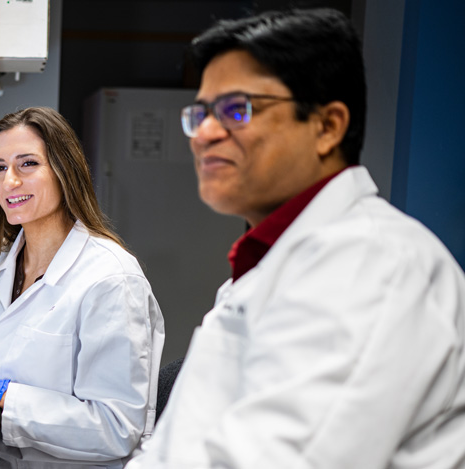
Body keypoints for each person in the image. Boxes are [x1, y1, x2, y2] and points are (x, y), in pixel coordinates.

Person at [128, 8, 465, 469]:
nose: (204, 133)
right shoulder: (274, 262)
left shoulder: (374, 263)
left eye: (236, 109)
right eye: (201, 112)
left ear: (327, 126)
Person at [0, 107, 166, 467]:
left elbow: (115, 427)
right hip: (10, 457)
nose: (9, 182)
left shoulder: (111, 280)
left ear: (64, 172)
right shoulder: (1, 264)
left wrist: (3, 397)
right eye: (0, 168)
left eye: (27, 164)